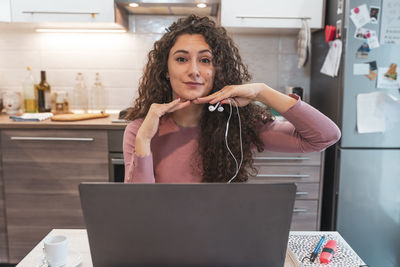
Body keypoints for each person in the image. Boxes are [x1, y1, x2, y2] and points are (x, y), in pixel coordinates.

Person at [123, 15, 341, 184]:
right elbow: (139, 206)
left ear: (218, 70)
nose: (194, 71)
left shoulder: (237, 125)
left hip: (219, 235)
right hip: (164, 236)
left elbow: (325, 137)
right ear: (166, 70)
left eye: (205, 60)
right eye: (181, 59)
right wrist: (143, 140)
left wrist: (261, 91)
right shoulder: (139, 130)